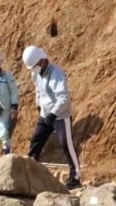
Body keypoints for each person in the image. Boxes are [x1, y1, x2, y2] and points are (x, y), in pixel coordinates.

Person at [22, 45, 81, 189]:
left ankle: (75, 176)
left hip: (60, 115)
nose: (33, 69)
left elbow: (63, 98)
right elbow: (38, 90)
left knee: (66, 144)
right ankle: (30, 171)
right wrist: (38, 105)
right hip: (45, 113)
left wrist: (53, 113)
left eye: (34, 66)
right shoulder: (35, 73)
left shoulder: (56, 74)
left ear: (42, 61)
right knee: (36, 141)